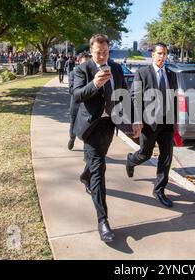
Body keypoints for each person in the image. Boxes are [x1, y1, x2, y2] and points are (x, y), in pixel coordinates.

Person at [73, 34, 127, 243]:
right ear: (91, 51)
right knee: (99, 169)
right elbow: (76, 95)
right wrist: (94, 84)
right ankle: (103, 221)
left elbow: (123, 93)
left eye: (105, 52)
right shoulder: (82, 69)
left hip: (109, 125)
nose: (102, 56)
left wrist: (134, 119)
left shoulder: (116, 67)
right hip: (91, 127)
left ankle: (85, 175)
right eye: (98, 52)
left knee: (96, 162)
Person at [125, 43, 178, 208]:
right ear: (153, 54)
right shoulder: (142, 73)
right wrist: (137, 119)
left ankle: (159, 190)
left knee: (166, 157)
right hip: (149, 123)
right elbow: (135, 97)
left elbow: (173, 98)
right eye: (159, 53)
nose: (162, 57)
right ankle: (131, 161)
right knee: (145, 154)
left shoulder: (171, 74)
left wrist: (175, 121)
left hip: (167, 123)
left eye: (165, 54)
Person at [67, 52, 91, 150]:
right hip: (76, 105)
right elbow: (71, 90)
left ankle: (87, 150)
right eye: (84, 63)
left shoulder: (93, 74)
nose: (86, 65)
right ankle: (72, 138)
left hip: (88, 107)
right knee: (73, 126)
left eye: (88, 62)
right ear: (79, 61)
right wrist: (84, 90)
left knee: (87, 129)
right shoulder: (73, 73)